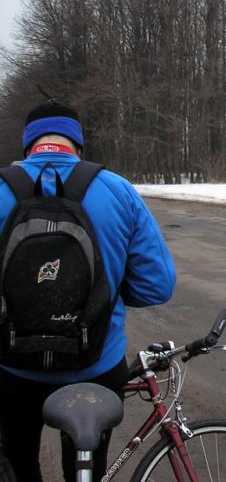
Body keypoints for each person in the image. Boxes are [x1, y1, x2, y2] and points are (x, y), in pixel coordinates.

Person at [0, 100, 176, 482]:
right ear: (78, 145)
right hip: (94, 366)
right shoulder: (116, 190)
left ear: (27, 145)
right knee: (86, 471)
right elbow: (158, 284)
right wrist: (100, 294)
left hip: (10, 370)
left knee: (17, 463)